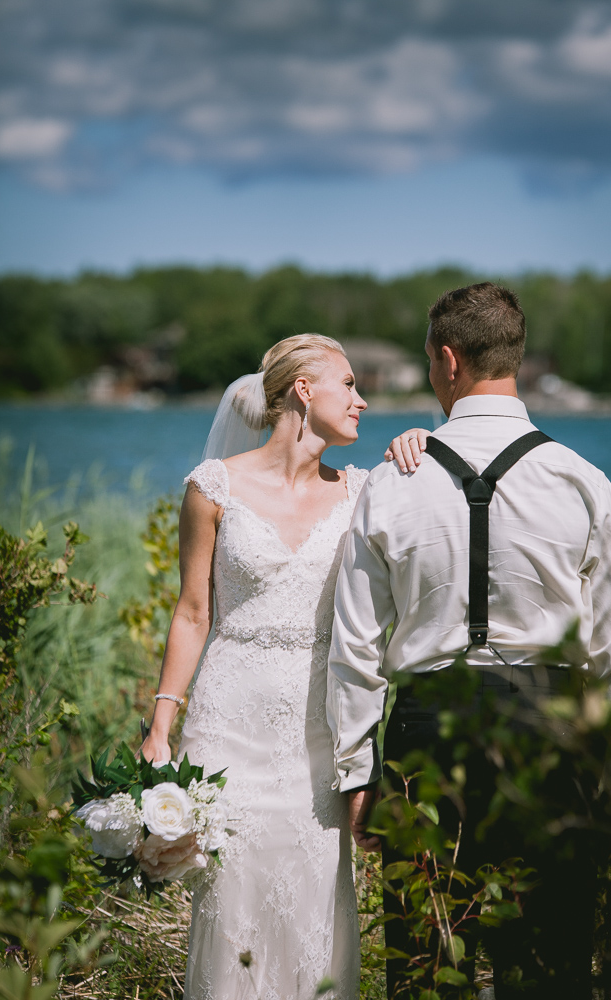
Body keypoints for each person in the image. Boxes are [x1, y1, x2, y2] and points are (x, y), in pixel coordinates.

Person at [326, 283, 611, 999]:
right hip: (550, 732)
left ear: (447, 361)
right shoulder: (582, 481)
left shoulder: (390, 483)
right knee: (549, 964)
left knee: (424, 960)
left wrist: (357, 771)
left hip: (426, 731)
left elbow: (354, 647)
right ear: (513, 355)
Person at [140, 333, 427, 1000]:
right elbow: (191, 613)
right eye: (349, 385)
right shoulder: (212, 487)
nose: (361, 400)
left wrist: (420, 440)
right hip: (228, 720)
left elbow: (437, 506)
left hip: (319, 730)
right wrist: (160, 727)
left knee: (313, 902)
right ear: (304, 389)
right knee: (231, 902)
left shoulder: (363, 490)